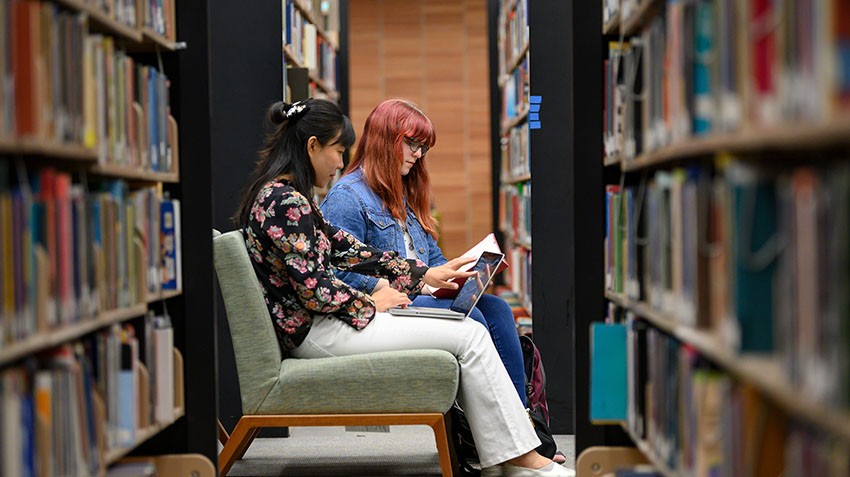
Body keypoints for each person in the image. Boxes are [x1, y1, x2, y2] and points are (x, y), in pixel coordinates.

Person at [235, 98, 570, 476]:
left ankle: (512, 455)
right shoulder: (286, 203)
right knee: (471, 334)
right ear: (312, 146)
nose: (340, 163)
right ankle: (521, 459)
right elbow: (317, 290)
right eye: (338, 151)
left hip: (323, 324)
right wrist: (370, 303)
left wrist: (422, 275)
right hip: (317, 331)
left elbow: (348, 250)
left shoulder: (288, 199)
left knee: (474, 328)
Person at [320, 99, 527, 406]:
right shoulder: (347, 197)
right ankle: (493, 425)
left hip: (420, 297)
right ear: (385, 140)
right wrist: (416, 284)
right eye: (413, 144)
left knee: (497, 308)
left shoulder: (401, 193)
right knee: (475, 321)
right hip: (387, 306)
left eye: (424, 148)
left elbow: (432, 259)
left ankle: (521, 418)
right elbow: (337, 270)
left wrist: (460, 276)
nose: (418, 155)